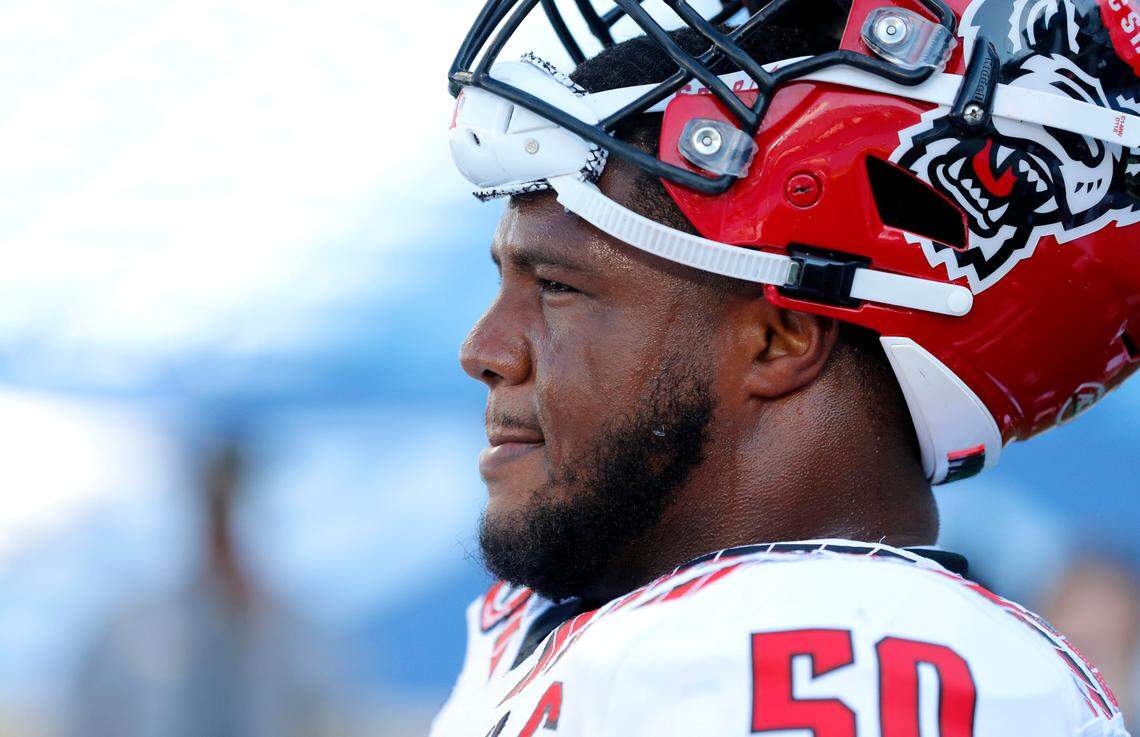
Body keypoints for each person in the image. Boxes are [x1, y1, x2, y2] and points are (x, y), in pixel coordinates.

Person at [434, 0, 1138, 734]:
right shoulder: (596, 629)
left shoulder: (820, 658)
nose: (484, 350)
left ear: (780, 338)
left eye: (556, 287)